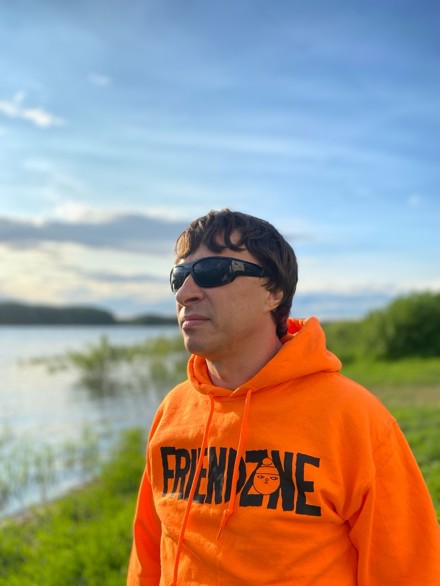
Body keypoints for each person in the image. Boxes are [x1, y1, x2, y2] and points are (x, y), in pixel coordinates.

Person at [127, 209, 440, 585]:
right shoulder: (174, 409)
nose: (184, 293)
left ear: (273, 292)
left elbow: (408, 571)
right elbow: (148, 552)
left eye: (213, 271)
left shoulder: (353, 418)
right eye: (179, 276)